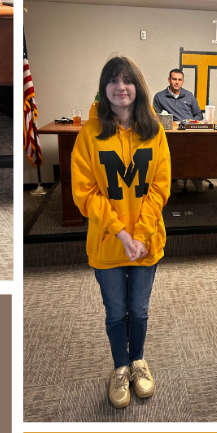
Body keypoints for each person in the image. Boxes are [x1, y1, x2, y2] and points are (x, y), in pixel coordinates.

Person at [71, 55, 170, 410]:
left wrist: (140, 234)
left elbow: (160, 186)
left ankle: (138, 361)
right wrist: (121, 233)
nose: (120, 87)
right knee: (116, 312)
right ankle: (119, 367)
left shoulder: (154, 131)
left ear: (137, 87)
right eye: (113, 80)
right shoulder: (89, 134)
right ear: (104, 88)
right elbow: (84, 193)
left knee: (139, 310)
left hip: (147, 241)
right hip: (107, 243)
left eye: (127, 80)